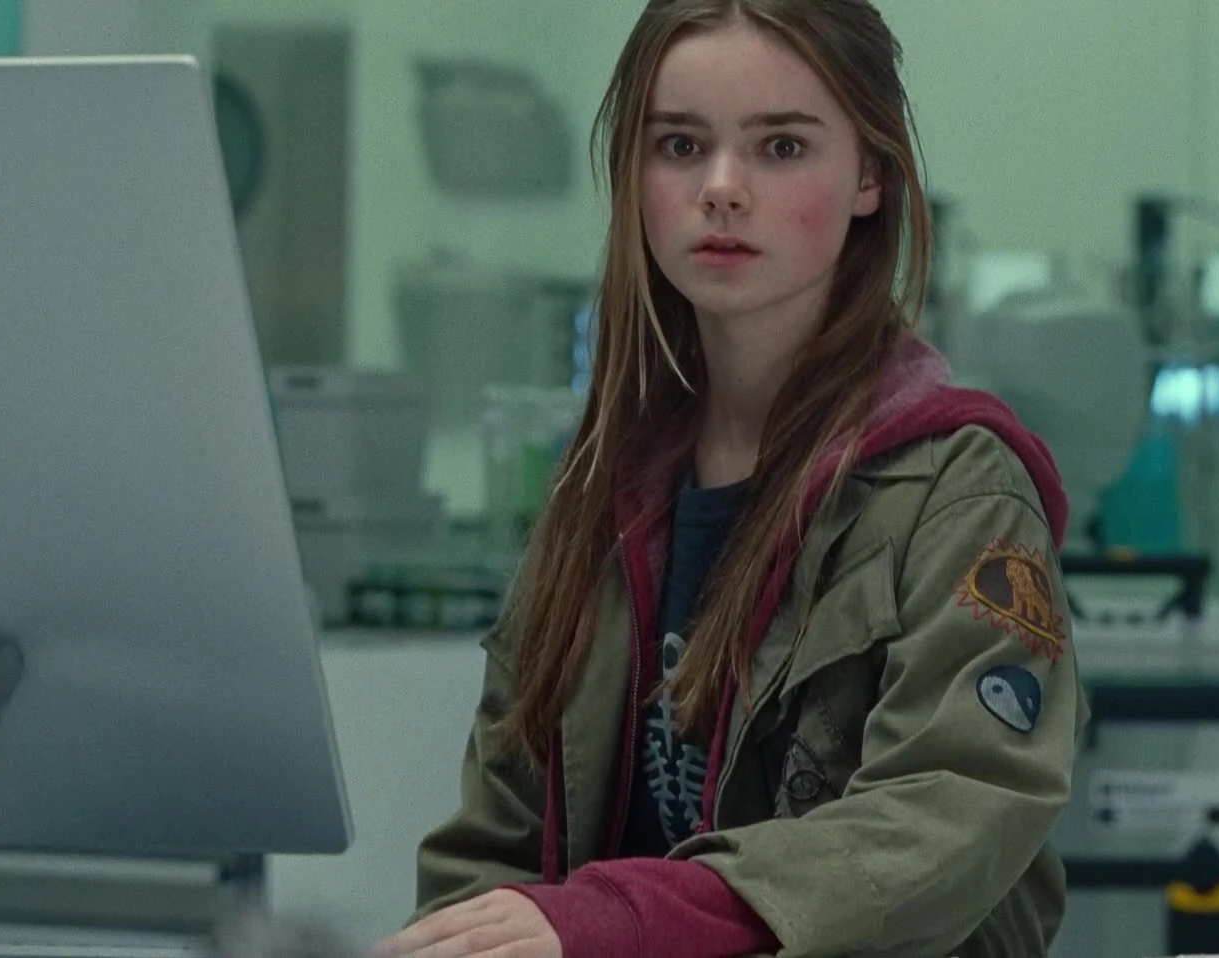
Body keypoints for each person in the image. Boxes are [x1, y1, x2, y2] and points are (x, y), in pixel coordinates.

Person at [375, 1, 1086, 956]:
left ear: (869, 176)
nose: (720, 189)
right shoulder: (603, 494)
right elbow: (493, 852)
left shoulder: (958, 491)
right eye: (680, 145)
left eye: (781, 148)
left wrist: (618, 924)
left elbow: (951, 812)